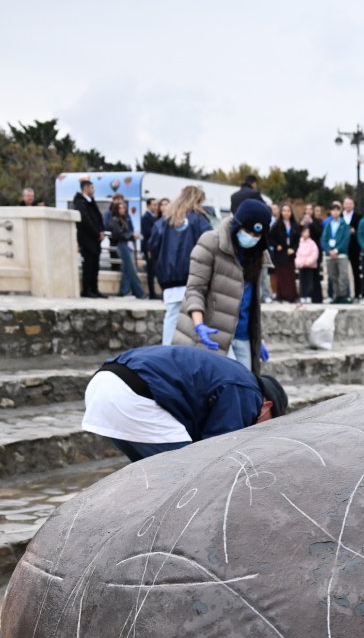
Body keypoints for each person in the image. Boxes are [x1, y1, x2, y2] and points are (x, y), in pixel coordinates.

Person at [82, 344, 270, 462]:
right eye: (272, 421)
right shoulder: (247, 390)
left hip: (102, 385)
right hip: (133, 396)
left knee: (148, 479)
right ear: (267, 405)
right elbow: (218, 446)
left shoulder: (236, 375)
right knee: (192, 477)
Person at [171, 196, 274, 368]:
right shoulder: (211, 243)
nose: (251, 237)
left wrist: (257, 337)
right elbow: (195, 289)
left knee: (245, 387)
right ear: (237, 225)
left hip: (242, 335)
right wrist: (199, 325)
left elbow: (251, 301)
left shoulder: (258, 255)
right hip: (212, 332)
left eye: (257, 235)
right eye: (248, 231)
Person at [144, 185, 214, 345]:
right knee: (196, 316)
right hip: (193, 276)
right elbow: (210, 245)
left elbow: (152, 247)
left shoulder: (164, 220)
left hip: (168, 278)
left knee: (172, 315)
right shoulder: (199, 219)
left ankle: (167, 349)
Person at [105, 194, 146, 299]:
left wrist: (131, 235)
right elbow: (119, 234)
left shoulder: (124, 219)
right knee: (132, 270)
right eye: (121, 208)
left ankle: (125, 291)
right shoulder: (115, 220)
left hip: (127, 246)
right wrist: (131, 235)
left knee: (126, 270)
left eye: (124, 207)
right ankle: (140, 293)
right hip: (122, 246)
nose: (123, 209)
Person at [72, 178, 105, 297]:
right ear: (85, 189)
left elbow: (97, 217)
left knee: (95, 265)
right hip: (87, 239)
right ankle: (87, 290)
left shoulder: (90, 201)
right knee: (88, 265)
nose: (93, 190)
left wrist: (101, 231)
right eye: (92, 187)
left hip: (95, 239)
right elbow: (85, 220)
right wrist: (97, 232)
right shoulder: (80, 202)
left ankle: (94, 289)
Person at [268, 203, 300, 303]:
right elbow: (269, 237)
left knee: (290, 276)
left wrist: (294, 249)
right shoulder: (276, 224)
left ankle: (291, 296)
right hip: (280, 254)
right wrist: (276, 245)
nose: (286, 213)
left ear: (291, 213)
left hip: (290, 254)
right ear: (281, 212)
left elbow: (298, 240)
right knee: (281, 275)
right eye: (284, 210)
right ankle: (281, 296)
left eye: (288, 211)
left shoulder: (295, 225)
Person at [321, 201, 352, 303]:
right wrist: (329, 250)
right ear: (330, 212)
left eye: (337, 210)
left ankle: (344, 295)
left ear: (340, 211)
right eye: (333, 210)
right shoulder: (328, 224)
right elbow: (324, 239)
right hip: (330, 255)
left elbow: (345, 239)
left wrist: (337, 250)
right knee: (333, 276)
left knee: (343, 276)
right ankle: (336, 295)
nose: (335, 212)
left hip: (341, 254)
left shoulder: (344, 224)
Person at [140, 198, 163, 299]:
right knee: (151, 270)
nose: (156, 207)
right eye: (154, 205)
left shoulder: (155, 217)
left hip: (155, 247)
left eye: (156, 205)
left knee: (155, 270)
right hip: (148, 247)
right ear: (148, 205)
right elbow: (147, 233)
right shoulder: (146, 218)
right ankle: (152, 293)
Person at [295, 221, 321, 305]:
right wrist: (300, 262)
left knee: (309, 282)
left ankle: (309, 296)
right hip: (301, 266)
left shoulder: (312, 243)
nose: (306, 234)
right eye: (304, 232)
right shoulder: (299, 242)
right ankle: (302, 296)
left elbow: (315, 253)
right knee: (302, 282)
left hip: (309, 266)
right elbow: (297, 254)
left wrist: (309, 262)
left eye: (307, 232)